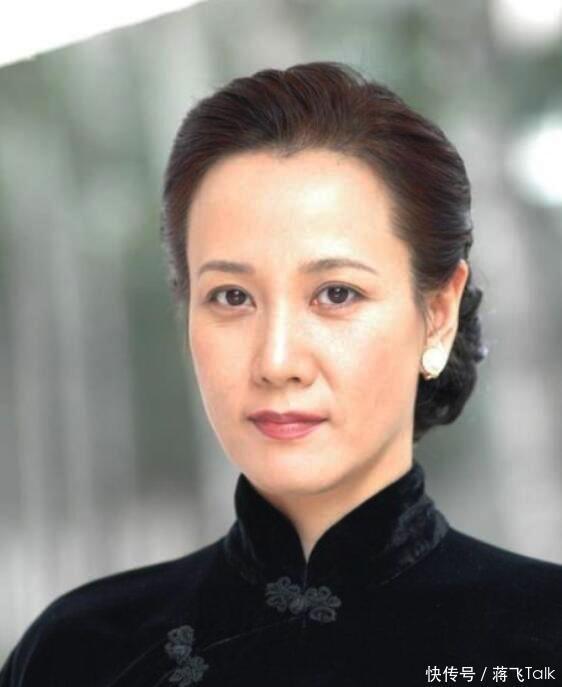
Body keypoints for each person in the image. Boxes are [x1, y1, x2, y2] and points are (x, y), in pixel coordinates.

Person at [1, 60, 561, 687]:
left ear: (437, 315)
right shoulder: (76, 653)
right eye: (232, 297)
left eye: (337, 294)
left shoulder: (539, 644)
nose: (276, 362)